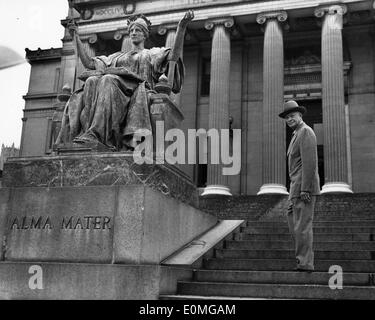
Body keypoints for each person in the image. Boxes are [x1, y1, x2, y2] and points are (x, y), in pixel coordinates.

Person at [56, 11, 194, 151]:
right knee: (92, 80)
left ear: (145, 34)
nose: (134, 32)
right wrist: (76, 37)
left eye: (138, 30)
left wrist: (181, 27)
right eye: (132, 30)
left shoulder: (151, 53)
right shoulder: (117, 56)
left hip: (137, 90)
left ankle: (96, 133)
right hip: (116, 91)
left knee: (108, 79)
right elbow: (89, 63)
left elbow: (173, 56)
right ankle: (88, 134)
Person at [279, 100, 320, 272]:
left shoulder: (305, 132)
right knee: (294, 224)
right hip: (295, 188)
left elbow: (309, 163)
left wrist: (305, 189)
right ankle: (302, 259)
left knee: (302, 226)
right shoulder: (296, 134)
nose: (289, 119)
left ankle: (304, 263)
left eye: (292, 116)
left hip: (303, 189)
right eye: (287, 117)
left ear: (300, 115)